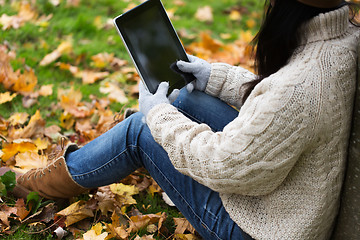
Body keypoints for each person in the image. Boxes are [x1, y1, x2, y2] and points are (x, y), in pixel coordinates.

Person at [4, 0, 360, 239]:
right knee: (187, 94)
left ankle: (32, 187)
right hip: (293, 202)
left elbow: (228, 165)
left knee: (140, 132)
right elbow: (279, 105)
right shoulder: (344, 39)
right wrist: (210, 75)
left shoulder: (300, 86)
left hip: (263, 228)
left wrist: (158, 117)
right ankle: (102, 156)